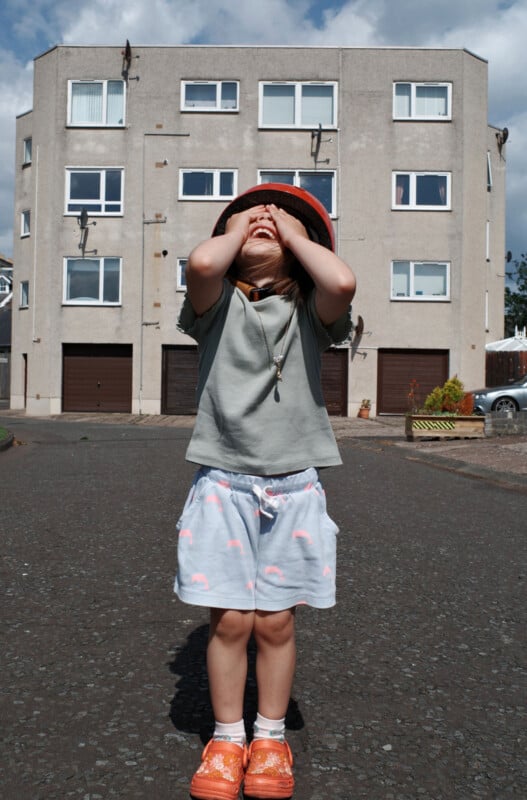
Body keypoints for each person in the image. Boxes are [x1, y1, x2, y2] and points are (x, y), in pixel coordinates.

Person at [174, 183, 356, 800]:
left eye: (276, 225)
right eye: (247, 222)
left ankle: (270, 737)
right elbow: (201, 264)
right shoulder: (215, 304)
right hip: (223, 485)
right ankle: (227, 738)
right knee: (229, 619)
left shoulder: (310, 310)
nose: (264, 223)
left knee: (275, 622)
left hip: (295, 486)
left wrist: (296, 236)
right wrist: (239, 226)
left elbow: (341, 284)